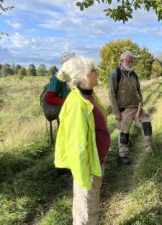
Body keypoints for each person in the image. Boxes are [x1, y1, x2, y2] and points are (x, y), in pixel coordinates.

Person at [54, 56, 111, 225]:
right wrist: (84, 178)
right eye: (93, 71)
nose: (97, 73)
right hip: (87, 171)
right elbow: (76, 146)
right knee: (86, 211)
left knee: (89, 207)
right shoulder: (77, 105)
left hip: (95, 163)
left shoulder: (89, 96)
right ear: (83, 76)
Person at [108, 51, 153, 165]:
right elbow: (111, 94)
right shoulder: (115, 74)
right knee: (124, 133)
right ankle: (122, 155)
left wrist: (141, 104)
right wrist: (116, 112)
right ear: (122, 61)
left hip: (137, 108)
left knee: (147, 124)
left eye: (132, 61)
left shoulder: (134, 74)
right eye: (129, 61)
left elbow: (138, 90)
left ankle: (149, 149)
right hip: (124, 109)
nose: (131, 63)